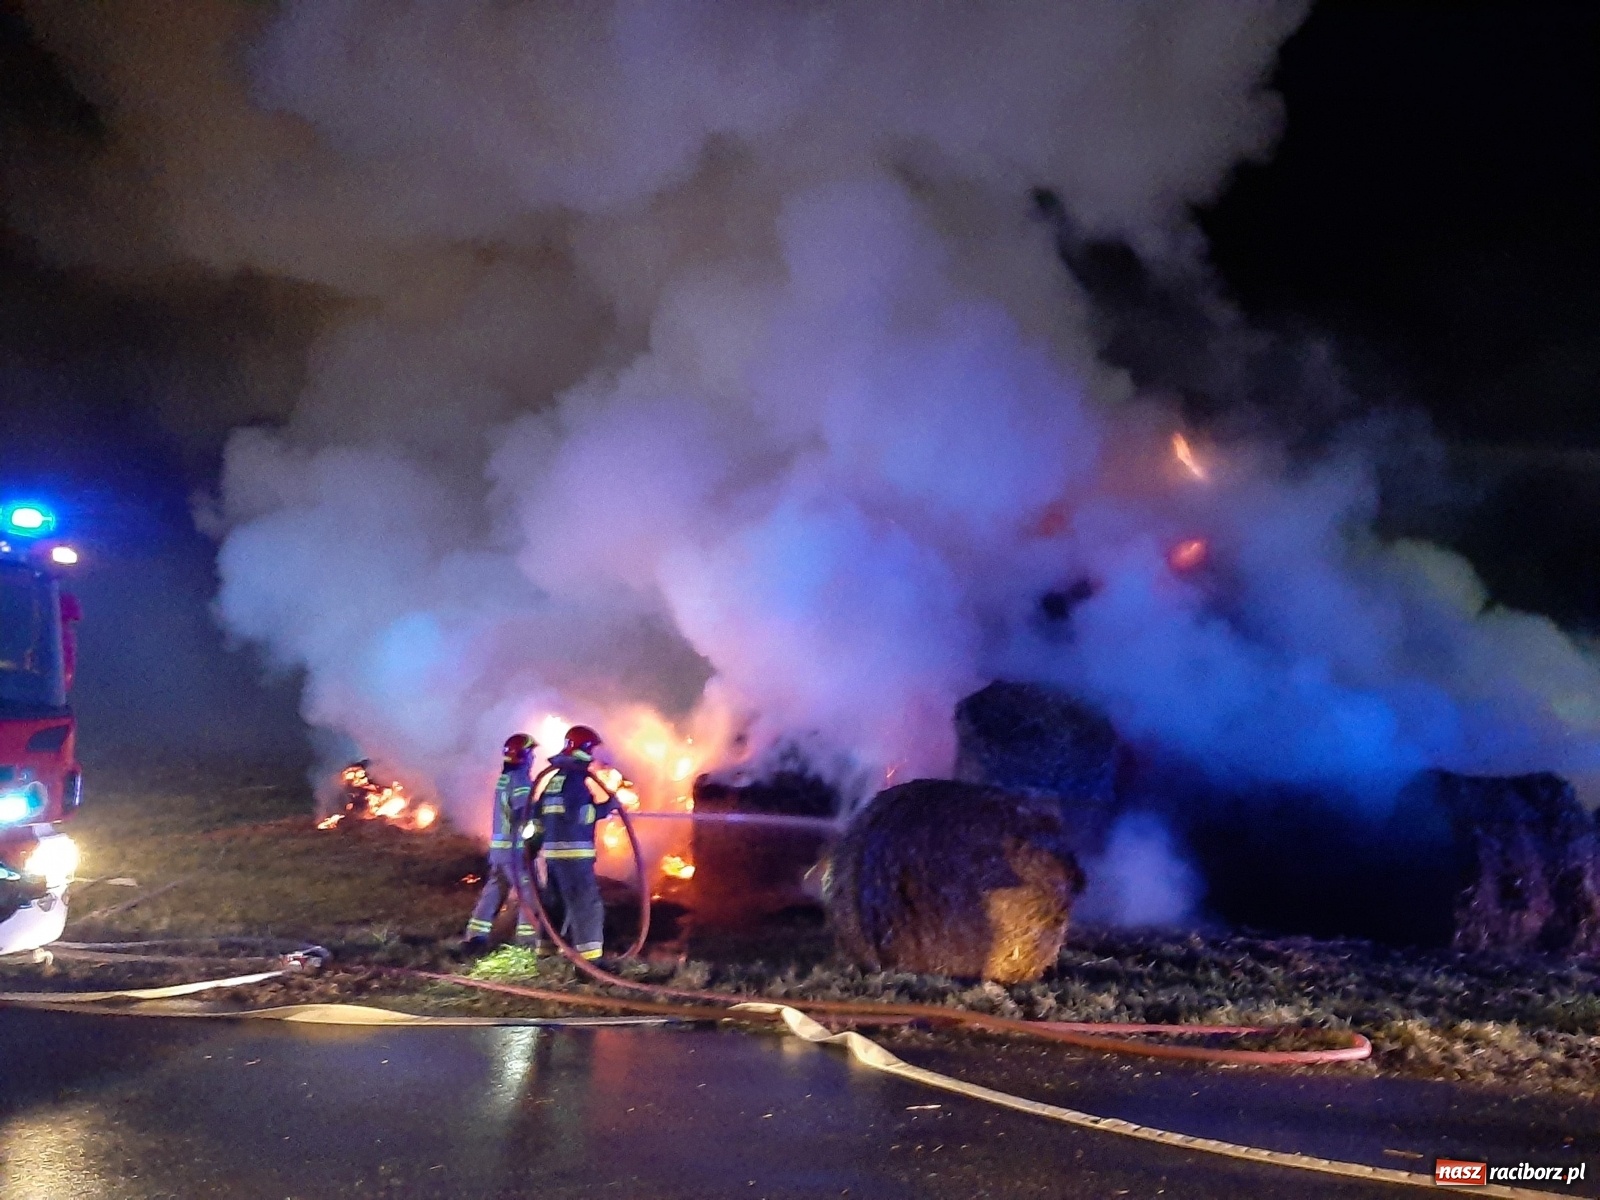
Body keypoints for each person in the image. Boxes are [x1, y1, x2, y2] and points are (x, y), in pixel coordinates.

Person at [532, 724, 616, 959]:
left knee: (555, 904)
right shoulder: (576, 781)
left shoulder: (554, 780)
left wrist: (534, 845)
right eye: (593, 750)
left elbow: (537, 815)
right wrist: (607, 808)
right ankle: (589, 963)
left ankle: (545, 952)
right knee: (586, 906)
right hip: (574, 857)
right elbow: (581, 815)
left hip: (553, 857)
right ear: (586, 749)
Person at [463, 733, 540, 950]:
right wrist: (538, 818)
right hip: (514, 852)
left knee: (495, 890)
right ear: (524, 756)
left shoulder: (505, 778)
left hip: (499, 851)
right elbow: (521, 813)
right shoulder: (520, 780)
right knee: (529, 893)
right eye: (532, 753)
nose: (534, 758)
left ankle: (475, 936)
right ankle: (527, 942)